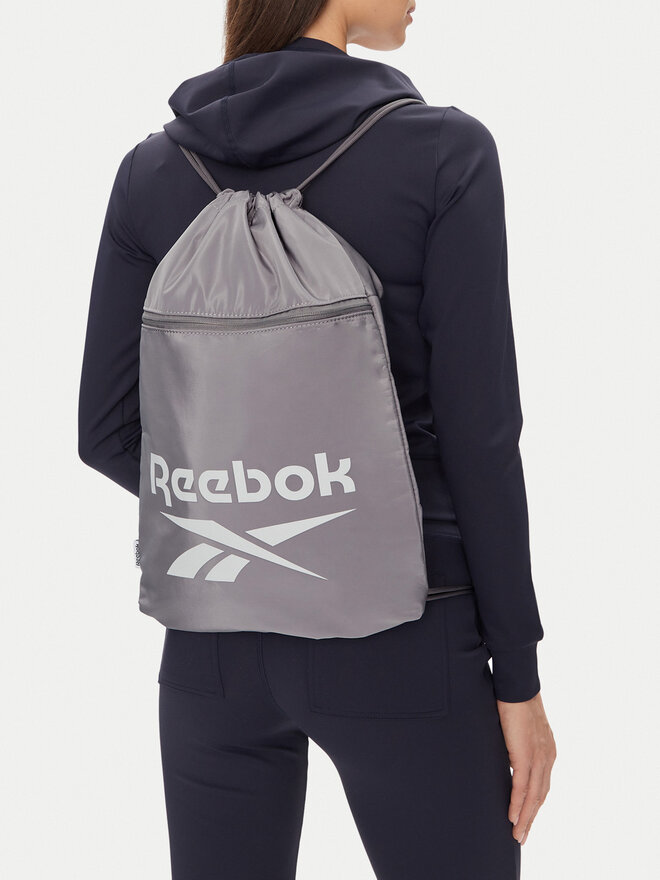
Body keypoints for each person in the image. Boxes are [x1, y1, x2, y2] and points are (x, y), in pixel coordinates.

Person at [77, 1, 557, 877]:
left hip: (212, 646)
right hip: (409, 633)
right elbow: (482, 440)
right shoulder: (443, 152)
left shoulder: (151, 170)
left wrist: (246, 509)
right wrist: (518, 677)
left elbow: (104, 431)